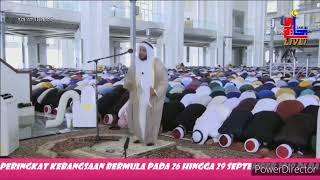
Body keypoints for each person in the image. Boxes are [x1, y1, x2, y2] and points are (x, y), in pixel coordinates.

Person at [124, 41, 168, 146]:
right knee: (138, 117)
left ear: (149, 52)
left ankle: (150, 138)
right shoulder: (135, 64)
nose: (141, 53)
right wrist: (128, 83)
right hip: (137, 96)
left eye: (144, 50)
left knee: (150, 118)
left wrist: (156, 91)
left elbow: (164, 82)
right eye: (140, 50)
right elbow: (127, 79)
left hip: (151, 98)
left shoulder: (158, 65)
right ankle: (138, 136)